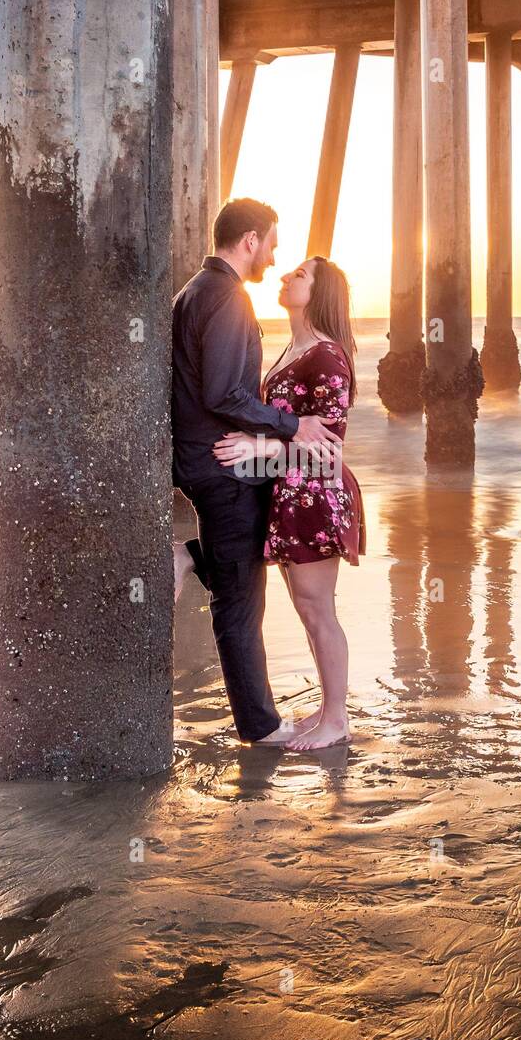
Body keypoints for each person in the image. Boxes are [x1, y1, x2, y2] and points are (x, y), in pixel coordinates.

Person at [171, 199, 341, 747]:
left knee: (239, 569)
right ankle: (261, 726)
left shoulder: (194, 292)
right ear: (249, 241)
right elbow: (225, 392)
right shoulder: (226, 297)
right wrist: (288, 426)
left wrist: (267, 438)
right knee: (241, 600)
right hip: (223, 465)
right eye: (271, 242)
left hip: (206, 459)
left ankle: (188, 556)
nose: (274, 254)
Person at [213, 256, 364, 751]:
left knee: (318, 609)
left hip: (317, 493)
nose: (284, 277)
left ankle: (337, 719)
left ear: (320, 293)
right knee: (306, 608)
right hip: (287, 491)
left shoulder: (326, 356)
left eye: (299, 275)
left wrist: (260, 449)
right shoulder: (289, 352)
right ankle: (327, 708)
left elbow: (331, 445)